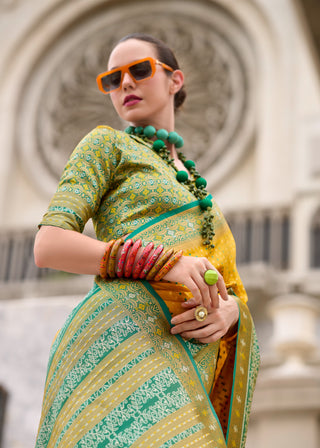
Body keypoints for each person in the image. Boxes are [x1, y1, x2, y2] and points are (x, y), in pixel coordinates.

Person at [34, 33, 259, 448]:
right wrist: (164, 263)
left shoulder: (200, 194)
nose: (125, 84)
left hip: (190, 369)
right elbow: (49, 245)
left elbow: (235, 293)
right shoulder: (108, 144)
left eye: (139, 70)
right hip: (115, 346)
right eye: (112, 79)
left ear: (175, 80)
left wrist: (230, 317)